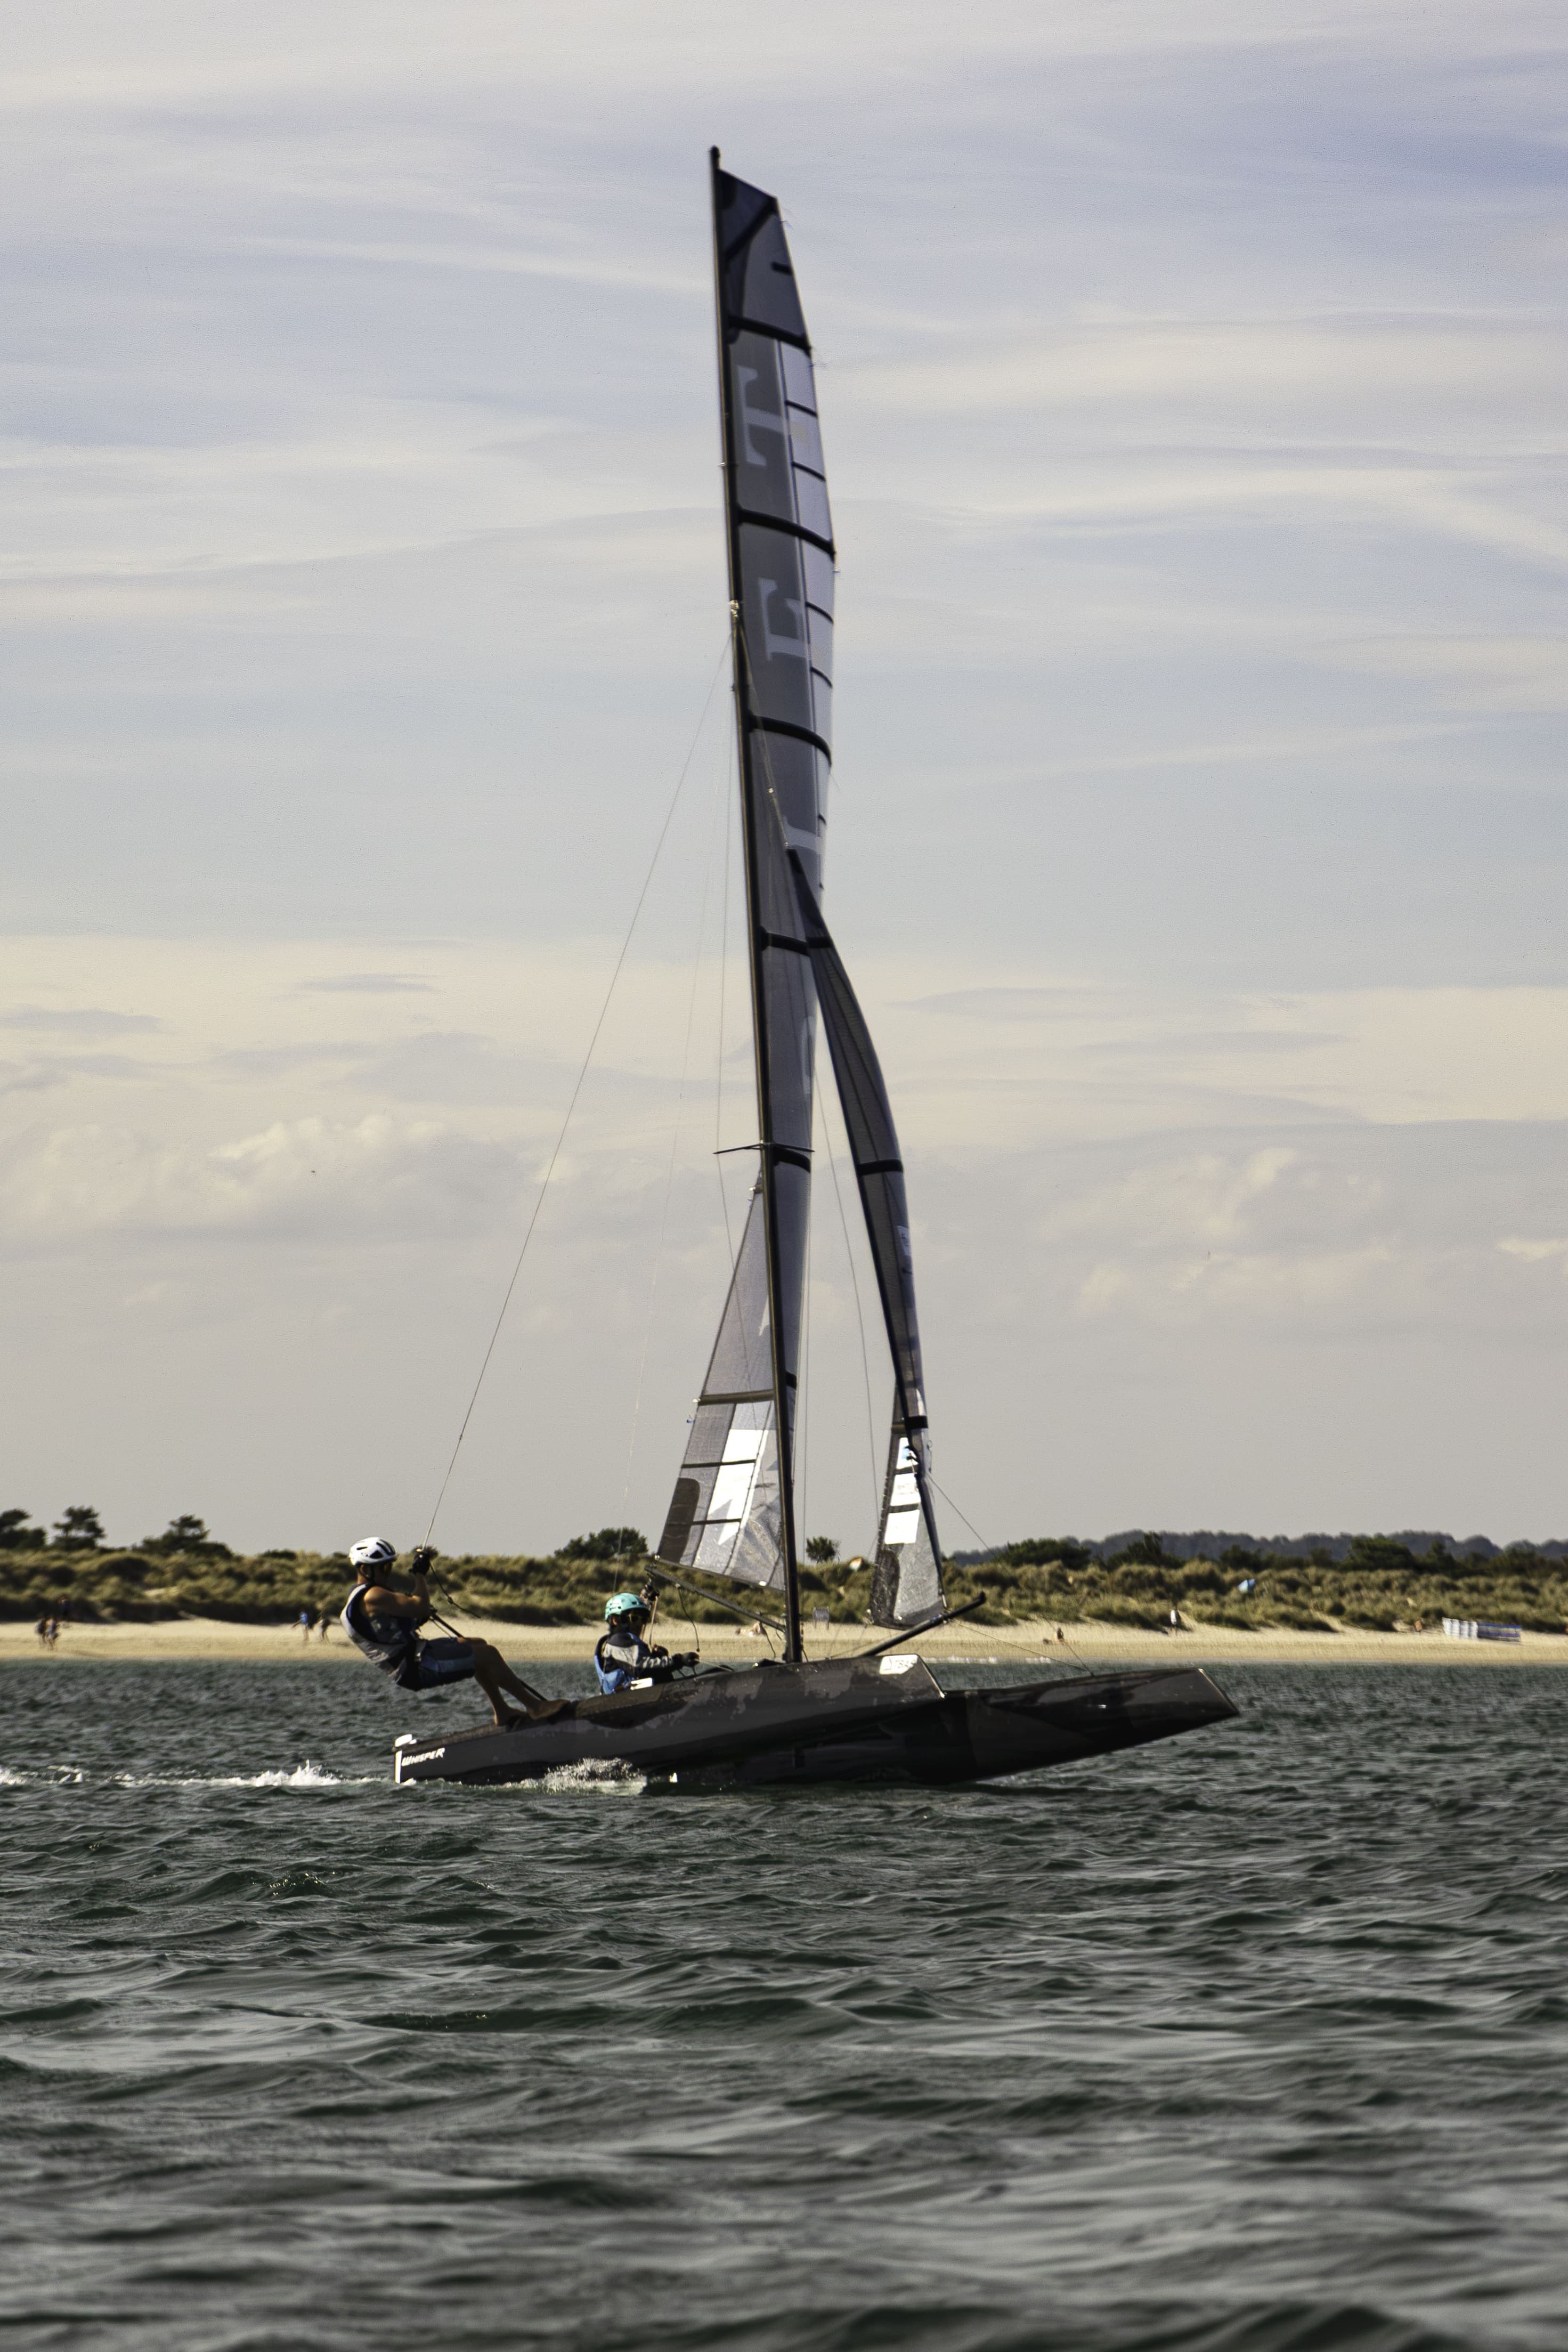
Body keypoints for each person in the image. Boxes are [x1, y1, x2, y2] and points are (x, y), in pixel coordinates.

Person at [340, 1538, 563, 1728]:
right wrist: (419, 1575)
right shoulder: (373, 1596)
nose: (388, 1573)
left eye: (389, 1567)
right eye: (384, 1568)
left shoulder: (361, 1596)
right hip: (415, 1667)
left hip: (418, 1656)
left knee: (478, 1645)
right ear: (364, 1569)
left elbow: (394, 1627)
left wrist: (417, 1618)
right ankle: (536, 1707)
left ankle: (502, 1711)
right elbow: (419, 1606)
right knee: (487, 1655)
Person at [593, 1591, 696, 1694]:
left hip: (642, 1696)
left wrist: (656, 1657)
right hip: (627, 1701)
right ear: (615, 1620)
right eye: (634, 1618)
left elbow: (644, 1671)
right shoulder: (618, 1640)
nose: (640, 1624)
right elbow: (641, 1668)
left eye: (643, 1620)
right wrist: (678, 1661)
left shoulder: (627, 1643)